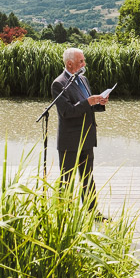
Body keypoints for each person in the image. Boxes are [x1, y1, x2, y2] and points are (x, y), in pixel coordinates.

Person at [52, 47, 107, 206]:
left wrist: (98, 103)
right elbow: (67, 112)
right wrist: (88, 101)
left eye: (83, 60)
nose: (84, 63)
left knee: (88, 179)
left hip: (87, 138)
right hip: (70, 141)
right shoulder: (59, 84)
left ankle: (93, 213)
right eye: (80, 61)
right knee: (66, 181)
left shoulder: (83, 79)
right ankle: (65, 216)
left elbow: (87, 107)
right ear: (69, 64)